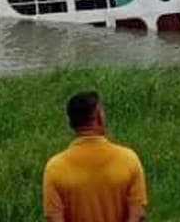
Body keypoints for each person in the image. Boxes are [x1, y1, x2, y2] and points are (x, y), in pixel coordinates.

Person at [43, 91, 148, 222]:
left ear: (70, 123)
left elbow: (54, 218)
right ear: (99, 117)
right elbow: (138, 213)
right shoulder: (128, 159)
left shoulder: (55, 167)